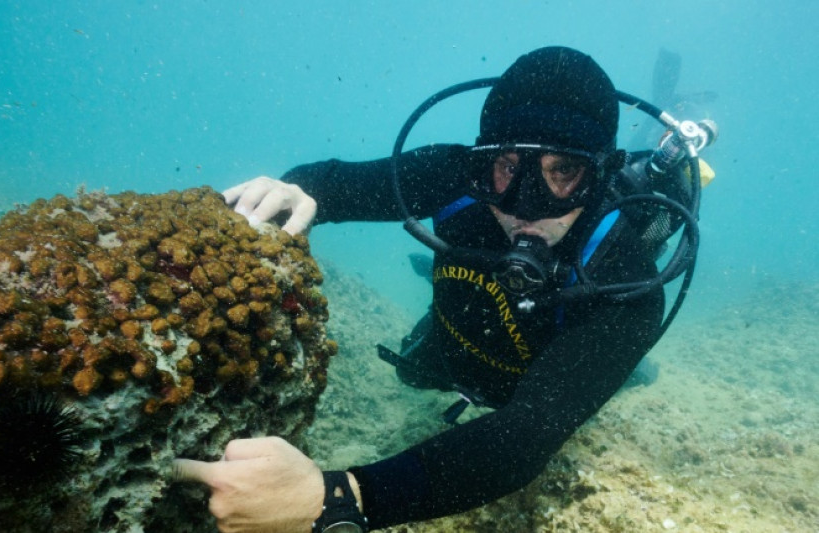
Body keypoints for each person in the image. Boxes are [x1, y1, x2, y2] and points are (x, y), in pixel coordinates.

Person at [171, 46, 704, 533]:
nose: (527, 205)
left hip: (543, 366)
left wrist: (341, 497)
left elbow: (523, 440)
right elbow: (331, 184)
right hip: (460, 348)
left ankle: (661, 150)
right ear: (483, 160)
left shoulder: (625, 283)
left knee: (615, 375)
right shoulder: (456, 177)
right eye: (508, 168)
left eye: (564, 172)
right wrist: (289, 192)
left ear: (598, 175)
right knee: (412, 370)